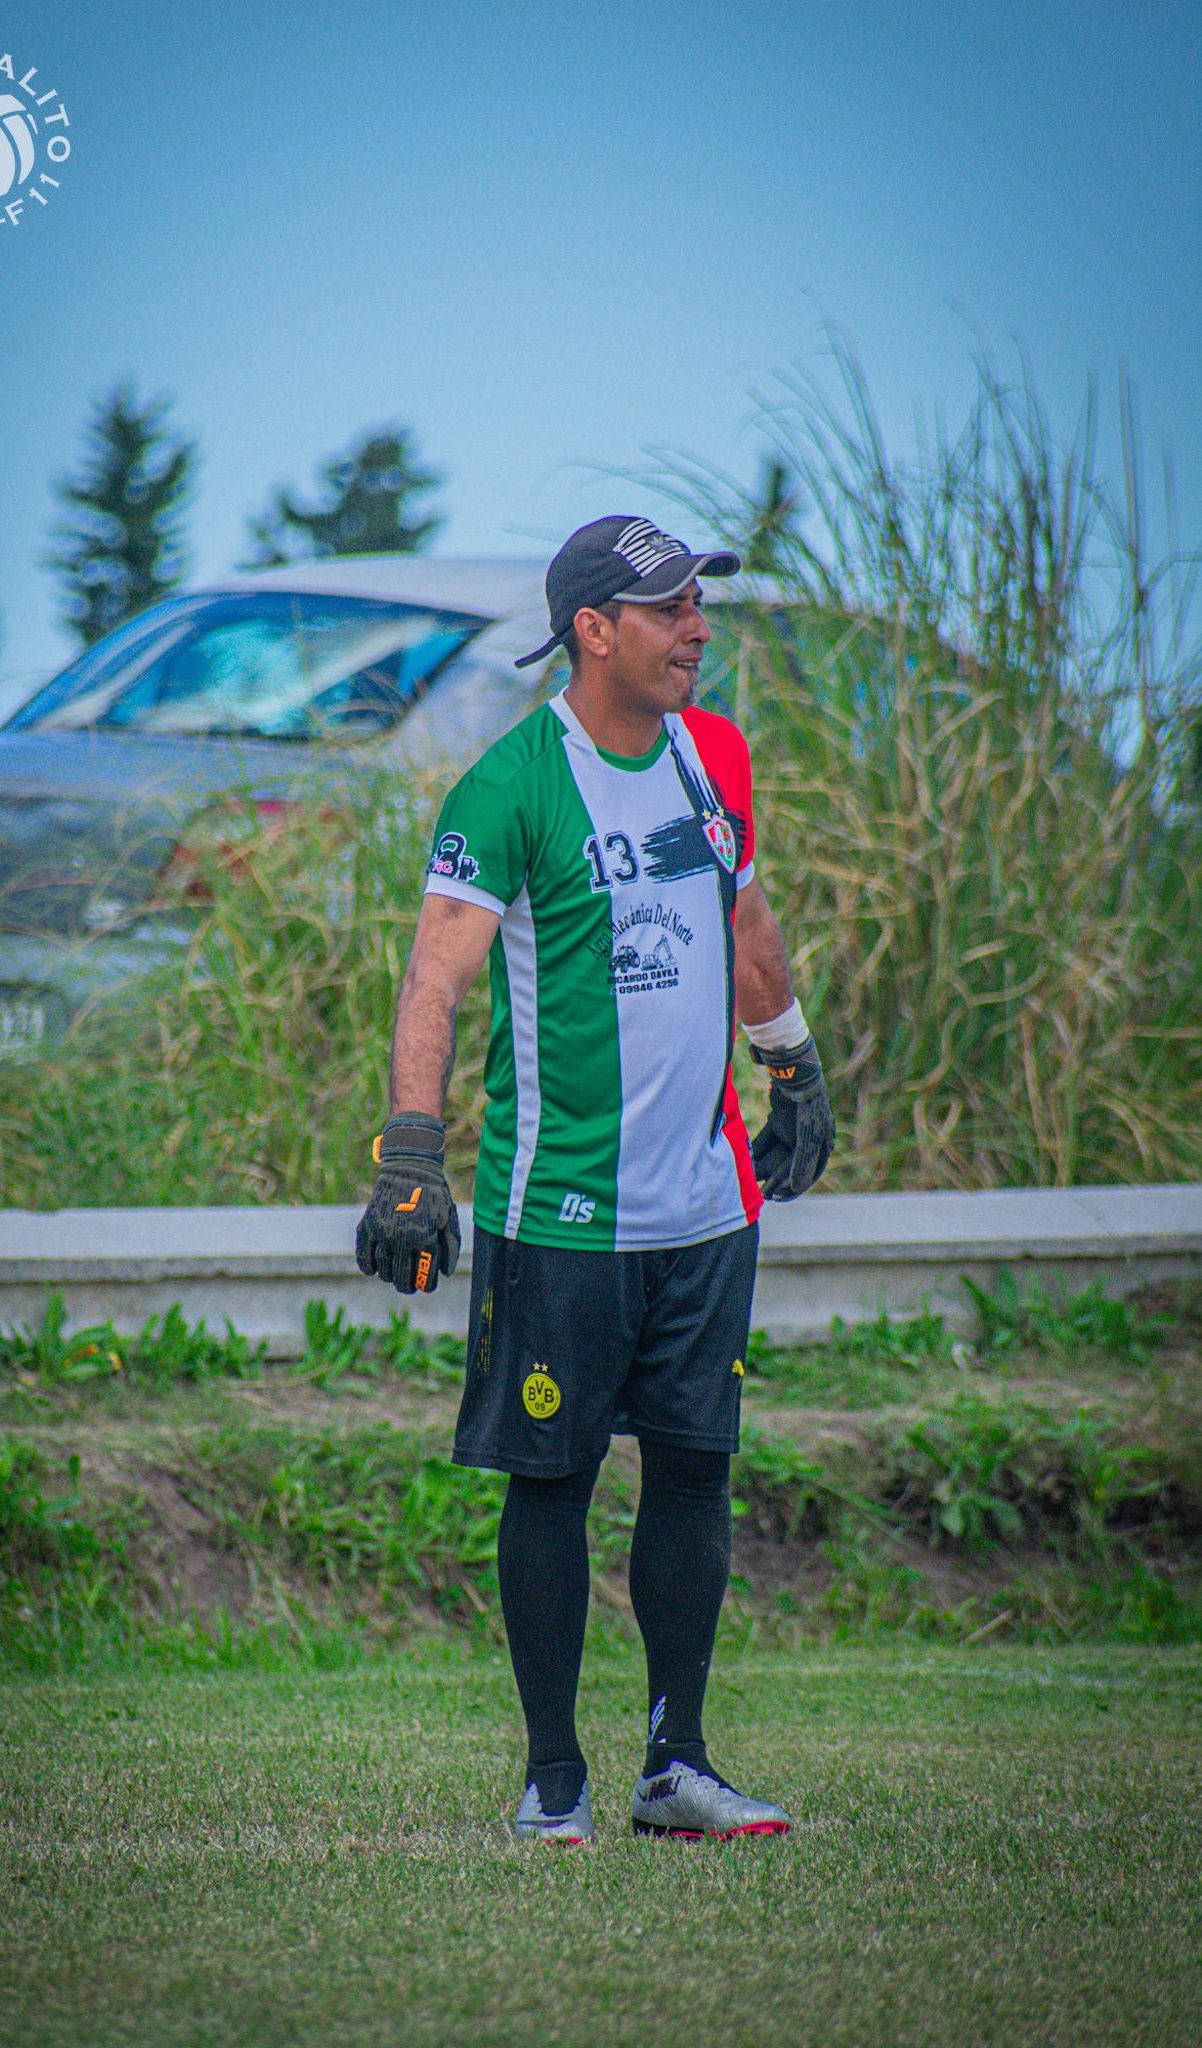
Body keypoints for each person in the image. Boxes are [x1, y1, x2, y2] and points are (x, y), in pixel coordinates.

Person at [356, 516, 835, 1843]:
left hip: (707, 1205)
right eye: (670, 609)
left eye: (698, 605)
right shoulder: (509, 786)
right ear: (593, 630)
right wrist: (410, 1153)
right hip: (559, 1208)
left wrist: (791, 1064)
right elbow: (437, 974)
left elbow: (745, 917)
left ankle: (676, 1766)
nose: (697, 629)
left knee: (693, 1471)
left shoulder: (712, 755)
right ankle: (553, 1778)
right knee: (552, 1482)